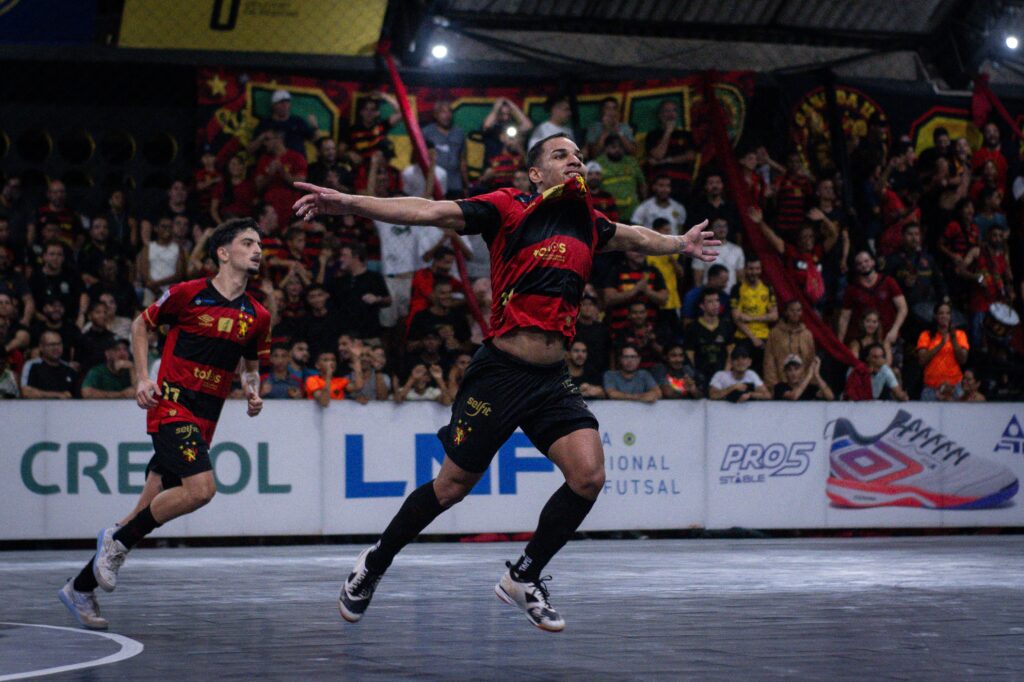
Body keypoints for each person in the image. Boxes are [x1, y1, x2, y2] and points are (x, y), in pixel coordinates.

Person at [291, 131, 719, 632]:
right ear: (536, 173)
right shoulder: (508, 208)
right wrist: (350, 205)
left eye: (579, 156)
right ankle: (374, 564)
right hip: (499, 373)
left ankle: (524, 575)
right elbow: (427, 210)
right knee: (451, 488)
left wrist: (680, 244)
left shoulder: (588, 221)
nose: (575, 161)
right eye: (562, 155)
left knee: (589, 477)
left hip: (552, 379)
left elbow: (635, 237)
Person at [58, 218, 270, 631]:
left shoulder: (258, 315)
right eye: (248, 243)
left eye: (260, 244)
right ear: (223, 253)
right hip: (171, 406)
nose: (258, 249)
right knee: (201, 490)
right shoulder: (189, 294)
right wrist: (142, 376)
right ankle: (114, 542)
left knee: (141, 515)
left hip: (207, 416)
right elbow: (141, 324)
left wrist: (252, 389)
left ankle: (80, 587)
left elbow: (252, 365)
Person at [916, 301, 969, 401]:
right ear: (935, 316)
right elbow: (922, 360)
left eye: (947, 313)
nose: (944, 316)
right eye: (941, 313)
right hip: (931, 387)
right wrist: (940, 344)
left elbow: (963, 360)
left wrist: (953, 340)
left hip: (954, 386)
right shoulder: (926, 335)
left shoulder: (960, 334)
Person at [762, 299, 816, 392]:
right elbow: (769, 361)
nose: (795, 313)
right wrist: (773, 386)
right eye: (792, 310)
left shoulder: (807, 334)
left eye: (798, 310)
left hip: (803, 386)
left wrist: (810, 384)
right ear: (786, 312)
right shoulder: (775, 333)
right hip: (781, 386)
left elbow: (811, 361)